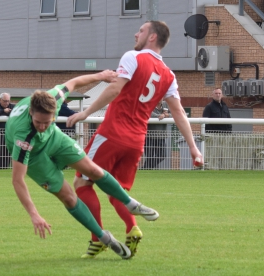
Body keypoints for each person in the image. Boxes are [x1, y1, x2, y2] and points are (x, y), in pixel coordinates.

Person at [67, 21, 203, 259]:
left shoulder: (133, 57)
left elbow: (114, 88)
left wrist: (86, 113)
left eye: (140, 30)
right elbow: (179, 112)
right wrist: (193, 148)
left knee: (82, 183)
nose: (136, 33)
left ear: (151, 37)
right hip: (137, 141)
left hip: (111, 134)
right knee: (118, 192)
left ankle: (97, 238)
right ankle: (133, 228)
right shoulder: (169, 75)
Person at [6, 70, 160, 260]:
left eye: (48, 121)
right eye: (38, 122)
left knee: (93, 170)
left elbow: (74, 82)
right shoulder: (23, 136)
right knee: (69, 197)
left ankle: (131, 204)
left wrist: (101, 75)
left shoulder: (53, 97)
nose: (43, 126)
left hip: (54, 139)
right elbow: (17, 180)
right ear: (31, 112)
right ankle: (104, 238)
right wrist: (34, 214)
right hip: (35, 154)